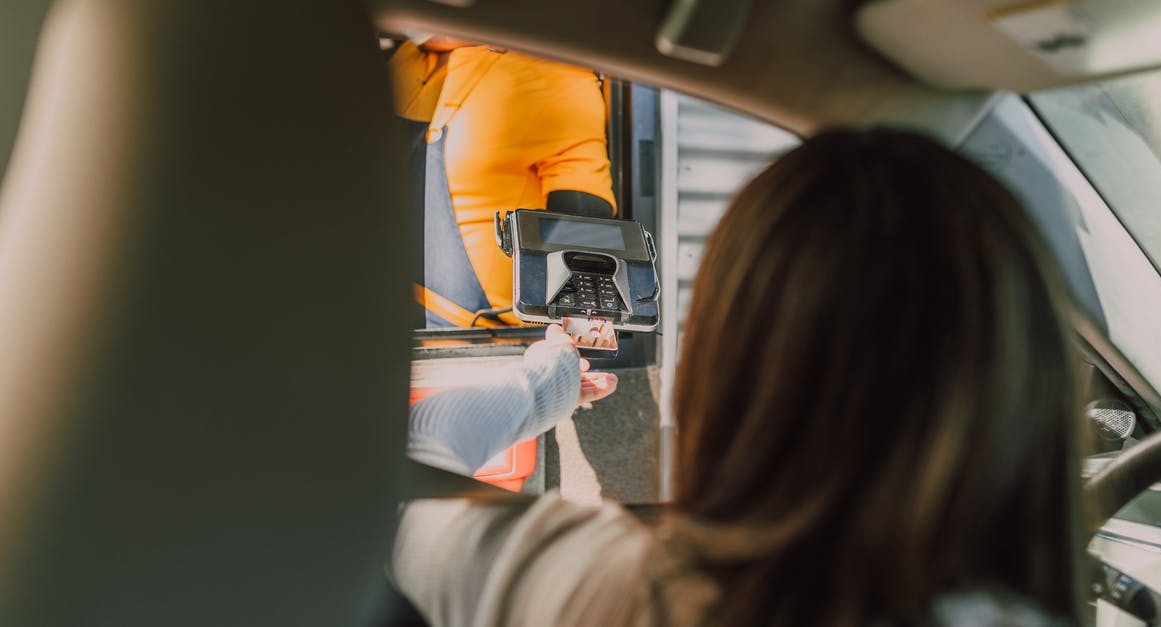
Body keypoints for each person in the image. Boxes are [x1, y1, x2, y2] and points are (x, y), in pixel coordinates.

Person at [395, 127, 1086, 626]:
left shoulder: (590, 589)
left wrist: (551, 380)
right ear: (1030, 394)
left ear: (723, 377)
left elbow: (402, 466)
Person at [389, 35, 617, 328]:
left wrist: (579, 338)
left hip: (482, 343)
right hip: (391, 319)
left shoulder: (554, 76)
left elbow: (587, 229)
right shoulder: (405, 58)